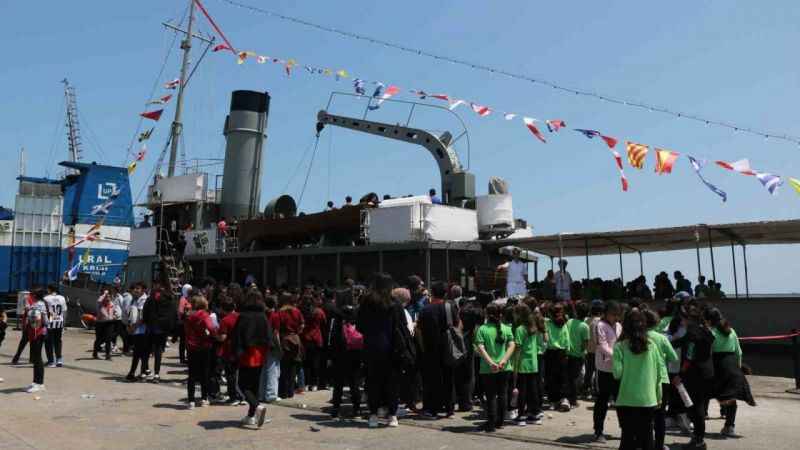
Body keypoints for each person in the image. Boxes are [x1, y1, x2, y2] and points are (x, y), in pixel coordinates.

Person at [613, 308, 665, 450]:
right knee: (647, 437)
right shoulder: (652, 346)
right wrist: (659, 397)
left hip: (625, 399)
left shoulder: (619, 347)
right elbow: (659, 375)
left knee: (627, 438)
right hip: (648, 400)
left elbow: (617, 374)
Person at [356, 273, 404, 428]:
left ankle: (373, 415)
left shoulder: (366, 303)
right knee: (392, 383)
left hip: (371, 348)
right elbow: (402, 327)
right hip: (392, 348)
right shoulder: (395, 303)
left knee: (373, 382)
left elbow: (359, 327)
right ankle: (392, 416)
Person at [705, 307, 754, 438]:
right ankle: (729, 426)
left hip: (717, 367)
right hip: (733, 366)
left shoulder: (711, 332)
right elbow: (739, 352)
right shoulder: (731, 331)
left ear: (709, 320)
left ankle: (698, 423)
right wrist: (738, 369)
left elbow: (708, 353)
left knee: (704, 394)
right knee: (731, 399)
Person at [674, 302, 715, 450]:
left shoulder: (692, 333)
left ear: (689, 319)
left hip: (695, 374)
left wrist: (680, 374)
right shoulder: (705, 330)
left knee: (696, 408)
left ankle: (698, 441)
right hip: (707, 372)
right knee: (700, 406)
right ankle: (698, 438)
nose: (681, 321)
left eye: (683, 318)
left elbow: (689, 357)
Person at [417, 281, 457, 418]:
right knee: (448, 378)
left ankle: (431, 409)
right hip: (448, 349)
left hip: (430, 349)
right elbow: (458, 326)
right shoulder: (450, 307)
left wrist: (422, 347)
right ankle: (449, 409)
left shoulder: (425, 309)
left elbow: (419, 331)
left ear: (432, 293)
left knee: (431, 380)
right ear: (446, 294)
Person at [475, 303, 516, 432]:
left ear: (487, 314)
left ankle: (491, 422)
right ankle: (500, 421)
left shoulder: (482, 329)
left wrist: (491, 363)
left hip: (488, 369)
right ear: (500, 314)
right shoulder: (507, 328)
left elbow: (480, 348)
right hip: (505, 367)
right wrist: (503, 360)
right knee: (503, 394)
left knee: (491, 395)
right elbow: (512, 345)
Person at [233, 290, 271, 428]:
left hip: (248, 352)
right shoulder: (263, 315)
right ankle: (251, 416)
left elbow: (237, 336)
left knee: (242, 385)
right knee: (254, 385)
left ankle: (256, 406)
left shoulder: (244, 316)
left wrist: (236, 353)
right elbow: (269, 335)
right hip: (261, 353)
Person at [643, 308, 679, 450]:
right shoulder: (661, 338)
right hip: (662, 379)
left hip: (645, 379)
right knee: (660, 415)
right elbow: (673, 357)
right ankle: (659, 445)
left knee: (646, 415)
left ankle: (646, 443)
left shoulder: (637, 336)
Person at [328, 288, 363, 417]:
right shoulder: (356, 312)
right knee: (354, 382)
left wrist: (330, 354)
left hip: (339, 352)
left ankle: (336, 409)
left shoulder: (337, 313)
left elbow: (332, 335)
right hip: (354, 352)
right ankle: (357, 408)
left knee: (338, 383)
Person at [592, 300, 622, 443]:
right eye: (613, 314)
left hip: (618, 369)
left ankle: (625, 429)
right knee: (602, 401)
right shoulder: (600, 325)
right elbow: (602, 346)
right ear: (606, 313)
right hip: (604, 369)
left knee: (621, 401)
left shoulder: (619, 326)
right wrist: (616, 356)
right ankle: (598, 431)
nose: (615, 317)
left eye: (617, 315)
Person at [184, 295, 217, 409]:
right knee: (205, 373)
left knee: (192, 374)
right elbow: (211, 327)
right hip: (204, 346)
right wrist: (212, 334)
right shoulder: (204, 315)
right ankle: (204, 398)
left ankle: (191, 401)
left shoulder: (189, 316)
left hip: (191, 346)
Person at [512, 303, 542, 426]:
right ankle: (534, 414)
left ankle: (521, 416)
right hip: (533, 363)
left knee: (522, 390)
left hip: (523, 363)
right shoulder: (533, 327)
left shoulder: (520, 329)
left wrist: (515, 366)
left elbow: (518, 349)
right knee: (533, 390)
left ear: (519, 315)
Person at [143, 286, 177, 383]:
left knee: (146, 350)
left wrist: (148, 322)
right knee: (158, 352)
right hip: (162, 330)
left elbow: (145, 314)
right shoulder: (170, 301)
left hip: (151, 328)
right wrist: (173, 331)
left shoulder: (150, 299)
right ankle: (156, 374)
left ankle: (144, 371)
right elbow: (174, 316)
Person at [544, 302, 572, 412]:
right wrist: (567, 352)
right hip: (562, 353)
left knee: (551, 378)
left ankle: (552, 401)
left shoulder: (547, 324)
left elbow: (545, 340)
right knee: (563, 377)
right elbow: (567, 339)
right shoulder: (564, 324)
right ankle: (563, 399)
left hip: (550, 353)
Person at [277, 292, 304, 399]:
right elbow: (302, 325)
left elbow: (277, 328)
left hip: (284, 339)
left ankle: (283, 392)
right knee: (293, 366)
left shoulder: (279, 312)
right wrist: (296, 333)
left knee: (284, 367)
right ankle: (290, 392)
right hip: (295, 339)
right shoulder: (297, 311)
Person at [566, 302, 590, 407]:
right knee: (574, 378)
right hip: (578, 356)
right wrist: (582, 352)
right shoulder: (585, 326)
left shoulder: (569, 321)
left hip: (567, 353)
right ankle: (573, 400)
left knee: (568, 378)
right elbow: (585, 344)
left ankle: (567, 398)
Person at [25, 290, 49, 393]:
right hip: (35, 332)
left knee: (37, 358)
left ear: (35, 295)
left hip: (38, 333)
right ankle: (35, 382)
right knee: (36, 357)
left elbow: (45, 320)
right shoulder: (37, 304)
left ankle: (40, 383)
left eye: (32, 294)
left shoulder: (39, 305)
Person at [125, 283, 150, 381]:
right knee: (140, 353)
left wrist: (133, 327)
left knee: (139, 353)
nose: (135, 290)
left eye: (138, 288)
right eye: (135, 288)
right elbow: (131, 314)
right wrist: (129, 325)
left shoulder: (143, 300)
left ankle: (136, 373)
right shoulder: (135, 300)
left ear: (143, 290)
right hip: (136, 330)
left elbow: (142, 317)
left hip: (141, 331)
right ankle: (139, 373)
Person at [43, 285, 67, 368]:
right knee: (58, 341)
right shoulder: (62, 298)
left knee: (48, 342)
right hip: (59, 322)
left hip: (50, 323)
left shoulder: (46, 298)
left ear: (49, 289)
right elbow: (64, 311)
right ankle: (59, 360)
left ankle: (51, 361)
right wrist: (64, 323)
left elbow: (45, 311)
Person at [94, 290, 120, 360]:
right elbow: (99, 300)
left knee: (108, 339)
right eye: (106, 297)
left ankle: (108, 355)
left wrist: (115, 316)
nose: (108, 298)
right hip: (100, 323)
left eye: (109, 297)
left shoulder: (112, 304)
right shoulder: (100, 303)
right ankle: (95, 353)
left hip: (109, 323)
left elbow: (116, 312)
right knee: (99, 339)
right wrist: (104, 293)